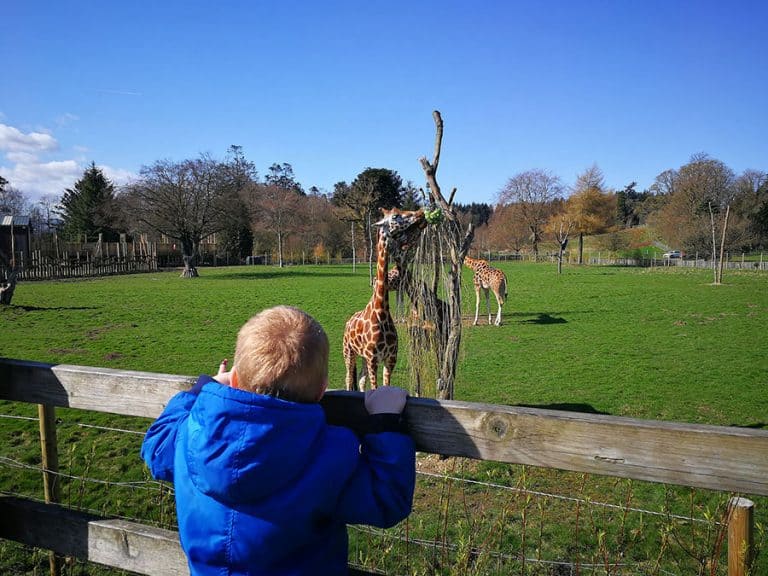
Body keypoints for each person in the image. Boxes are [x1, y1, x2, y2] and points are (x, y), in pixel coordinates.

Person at [141, 305, 415, 576]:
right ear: (321, 391)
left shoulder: (190, 433)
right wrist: (386, 422)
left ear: (234, 378)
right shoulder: (331, 454)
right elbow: (386, 500)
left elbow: (156, 447)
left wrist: (204, 388)